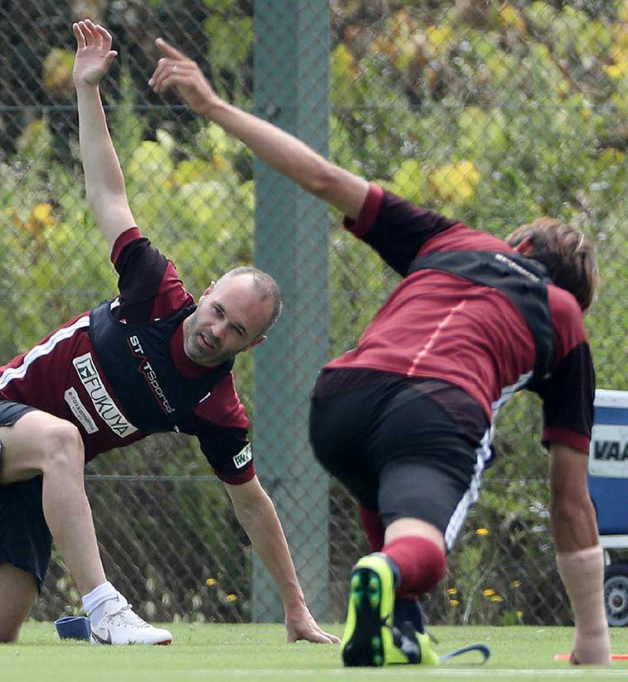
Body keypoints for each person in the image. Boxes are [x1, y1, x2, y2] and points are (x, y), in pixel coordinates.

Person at [0, 20, 337, 648]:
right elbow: (107, 192)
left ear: (252, 346)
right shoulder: (154, 290)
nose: (216, 329)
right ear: (206, 291)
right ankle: (104, 608)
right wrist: (87, 88)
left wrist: (296, 608)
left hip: (37, 469)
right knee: (63, 438)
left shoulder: (215, 408)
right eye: (218, 309)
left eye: (236, 329)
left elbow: (252, 504)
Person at [148, 38, 610, 667]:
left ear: (519, 244)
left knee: (391, 489)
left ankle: (401, 627)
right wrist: (592, 641)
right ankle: (388, 577)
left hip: (341, 401)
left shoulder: (452, 239)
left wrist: (212, 106)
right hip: (436, 410)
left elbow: (321, 177)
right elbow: (569, 499)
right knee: (422, 551)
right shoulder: (564, 319)